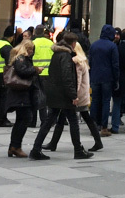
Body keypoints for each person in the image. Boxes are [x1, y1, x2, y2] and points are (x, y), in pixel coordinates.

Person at [30, 30, 93, 160]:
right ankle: (78, 150)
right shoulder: (65, 56)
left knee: (48, 122)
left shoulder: (57, 54)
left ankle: (36, 148)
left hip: (55, 92)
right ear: (74, 43)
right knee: (73, 121)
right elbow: (67, 77)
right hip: (63, 94)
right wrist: (73, 95)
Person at [43, 39, 104, 153]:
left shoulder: (76, 62)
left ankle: (56, 144)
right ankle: (97, 141)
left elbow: (77, 81)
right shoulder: (83, 60)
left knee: (70, 118)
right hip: (81, 95)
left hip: (76, 96)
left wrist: (72, 96)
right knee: (81, 117)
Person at [5, 39, 41, 158]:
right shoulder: (20, 58)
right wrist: (35, 69)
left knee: (22, 119)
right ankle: (16, 146)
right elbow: (22, 71)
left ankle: (13, 146)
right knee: (25, 118)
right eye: (30, 49)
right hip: (21, 93)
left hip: (22, 93)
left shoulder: (20, 58)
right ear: (26, 48)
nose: (32, 52)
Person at [88, 24, 118, 136]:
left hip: (95, 76)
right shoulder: (112, 46)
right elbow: (115, 65)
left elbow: (90, 62)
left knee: (95, 100)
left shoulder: (94, 45)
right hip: (107, 77)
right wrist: (116, 79)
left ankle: (93, 125)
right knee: (106, 101)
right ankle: (104, 127)